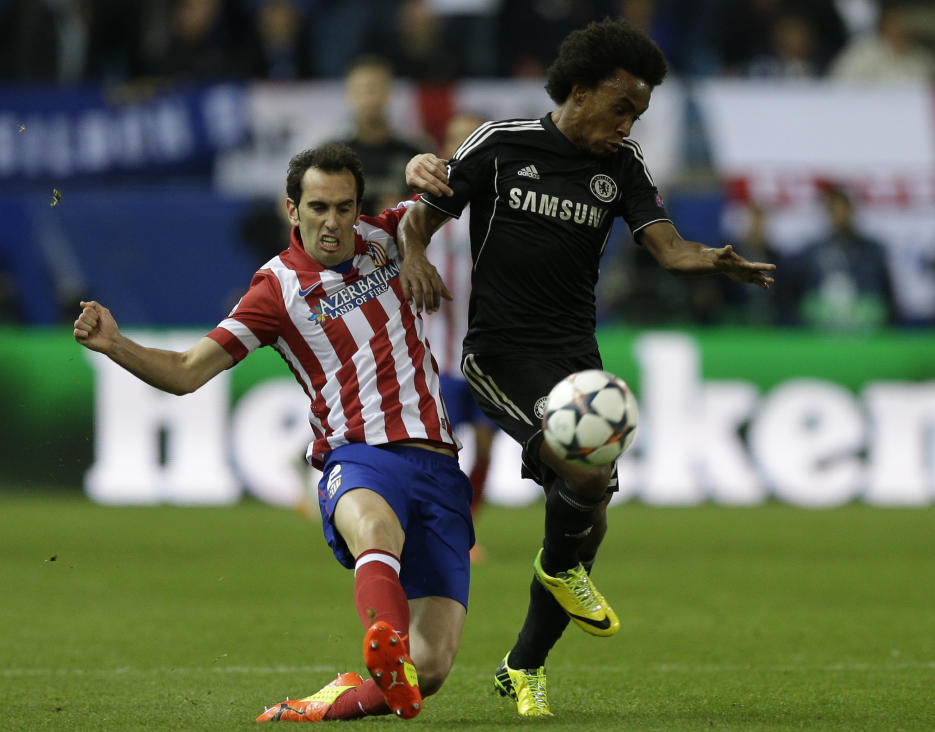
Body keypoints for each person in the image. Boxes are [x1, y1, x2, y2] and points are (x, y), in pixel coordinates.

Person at [396, 18, 775, 717]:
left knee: (590, 513)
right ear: (577, 89)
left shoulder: (622, 167)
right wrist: (414, 255)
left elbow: (665, 247)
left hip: (576, 360)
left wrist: (710, 259)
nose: (628, 124)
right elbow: (420, 215)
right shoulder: (502, 145)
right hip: (498, 354)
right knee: (584, 480)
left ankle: (523, 665)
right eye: (621, 107)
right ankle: (562, 569)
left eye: (638, 114)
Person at [72, 143, 474, 723]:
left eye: (343, 208)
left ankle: (331, 702)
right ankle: (384, 636)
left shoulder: (390, 238)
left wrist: (423, 166)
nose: (331, 222)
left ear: (360, 207)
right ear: (292, 210)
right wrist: (115, 344)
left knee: (429, 670)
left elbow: (458, 185)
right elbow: (188, 372)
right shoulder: (276, 290)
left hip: (438, 465)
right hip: (360, 456)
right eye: (317, 208)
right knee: (376, 528)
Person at [421, 111, 497, 561]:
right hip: (439, 354)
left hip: (489, 356)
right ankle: (442, 531)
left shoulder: (502, 205)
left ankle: (463, 527)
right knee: (440, 450)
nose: (461, 146)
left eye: (471, 138)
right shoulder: (428, 206)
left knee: (486, 446)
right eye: (454, 138)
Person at [780, 184, 895, 331]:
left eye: (844, 209)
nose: (840, 215)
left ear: (852, 211)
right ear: (828, 213)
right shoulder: (812, 252)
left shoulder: (874, 251)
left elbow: (888, 297)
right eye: (834, 210)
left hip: (866, 327)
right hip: (821, 328)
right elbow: (799, 295)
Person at [334, 55, 426, 216]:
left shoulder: (415, 153)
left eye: (376, 88)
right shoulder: (332, 155)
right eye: (362, 90)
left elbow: (437, 208)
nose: (369, 97)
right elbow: (292, 201)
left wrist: (407, 211)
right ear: (349, 95)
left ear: (389, 93)